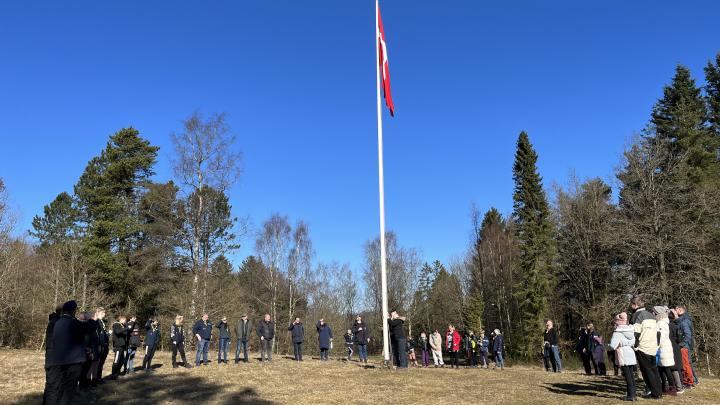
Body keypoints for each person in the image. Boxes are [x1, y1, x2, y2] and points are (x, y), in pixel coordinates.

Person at [45, 300, 92, 405]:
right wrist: (90, 319)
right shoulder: (65, 322)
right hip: (63, 360)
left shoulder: (57, 322)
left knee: (56, 387)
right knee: (60, 388)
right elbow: (88, 328)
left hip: (58, 359)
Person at [631, 296, 662, 399]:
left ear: (635, 305)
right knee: (654, 370)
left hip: (643, 347)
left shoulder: (636, 315)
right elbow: (658, 333)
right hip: (653, 347)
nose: (631, 306)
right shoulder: (651, 315)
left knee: (647, 371)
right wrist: (657, 345)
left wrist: (635, 346)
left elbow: (635, 333)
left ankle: (655, 393)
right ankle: (658, 392)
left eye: (631, 304)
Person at [610, 312, 637, 402]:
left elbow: (613, 346)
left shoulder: (617, 332)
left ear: (617, 322)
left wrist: (618, 343)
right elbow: (633, 342)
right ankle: (634, 394)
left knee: (627, 376)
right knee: (631, 375)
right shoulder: (631, 330)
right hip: (631, 353)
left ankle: (630, 395)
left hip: (623, 355)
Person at [654, 306, 677, 396]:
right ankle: (664, 386)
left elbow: (661, 337)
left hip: (663, 349)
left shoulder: (661, 323)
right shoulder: (662, 322)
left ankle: (672, 388)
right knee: (661, 369)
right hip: (663, 348)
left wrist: (656, 346)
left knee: (666, 369)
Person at [43, 304, 63, 405]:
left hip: (52, 358)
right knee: (54, 386)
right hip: (54, 358)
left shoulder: (54, 321)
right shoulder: (57, 322)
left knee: (50, 384)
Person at [675, 305, 698, 387]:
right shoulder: (682, 320)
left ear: (680, 310)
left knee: (687, 363)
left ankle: (693, 380)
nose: (674, 311)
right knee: (688, 363)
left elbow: (688, 334)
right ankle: (693, 380)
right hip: (685, 344)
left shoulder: (684, 321)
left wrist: (682, 344)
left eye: (676, 309)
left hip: (685, 345)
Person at [668, 309, 685, 393]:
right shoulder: (676, 326)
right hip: (676, 346)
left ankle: (677, 386)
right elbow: (680, 339)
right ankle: (680, 385)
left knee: (674, 367)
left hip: (671, 347)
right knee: (677, 367)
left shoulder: (668, 326)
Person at [93, 307, 109, 383]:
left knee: (101, 363)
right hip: (99, 345)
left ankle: (99, 377)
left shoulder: (102, 321)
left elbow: (103, 333)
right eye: (103, 313)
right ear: (98, 312)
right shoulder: (96, 321)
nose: (104, 314)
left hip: (104, 345)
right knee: (97, 363)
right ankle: (95, 379)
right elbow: (97, 334)